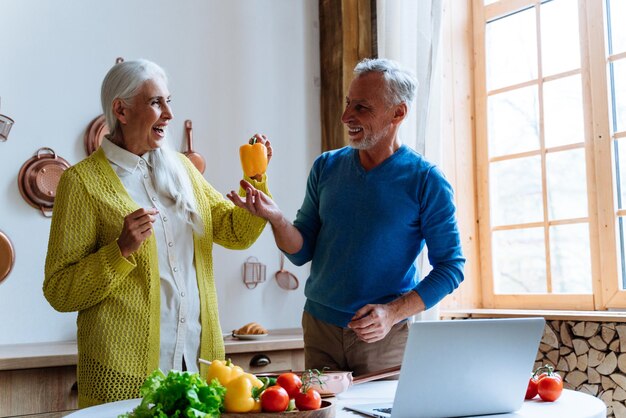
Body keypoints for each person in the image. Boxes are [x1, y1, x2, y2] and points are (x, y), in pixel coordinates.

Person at [43, 59, 272, 407]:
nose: (168, 113)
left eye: (168, 101)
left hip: (197, 364)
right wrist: (120, 250)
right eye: (155, 102)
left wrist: (257, 178)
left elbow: (232, 232)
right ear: (121, 109)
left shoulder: (181, 168)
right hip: (124, 374)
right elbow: (60, 290)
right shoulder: (81, 182)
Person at [228, 58, 465, 376]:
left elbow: (451, 267)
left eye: (362, 108)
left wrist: (392, 313)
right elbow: (300, 252)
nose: (346, 117)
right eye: (347, 103)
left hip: (383, 336)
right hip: (318, 329)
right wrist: (277, 219)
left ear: (398, 113)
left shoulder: (426, 180)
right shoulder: (326, 167)